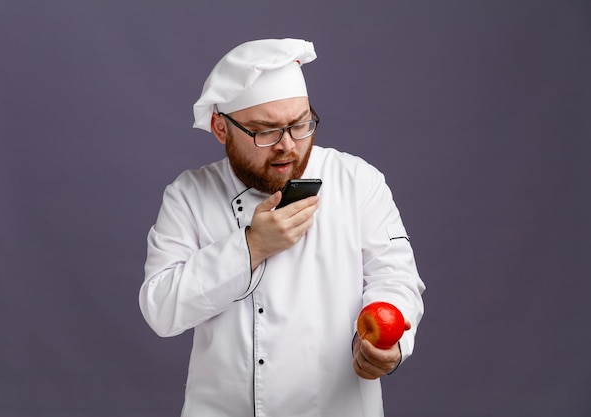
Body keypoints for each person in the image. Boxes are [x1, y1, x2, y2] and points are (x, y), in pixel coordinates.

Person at [139, 38, 425, 417]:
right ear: (220, 127)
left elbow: (395, 280)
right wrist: (251, 246)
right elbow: (160, 309)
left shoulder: (358, 181)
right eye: (265, 130)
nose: (287, 146)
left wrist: (387, 345)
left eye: (300, 124)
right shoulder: (189, 195)